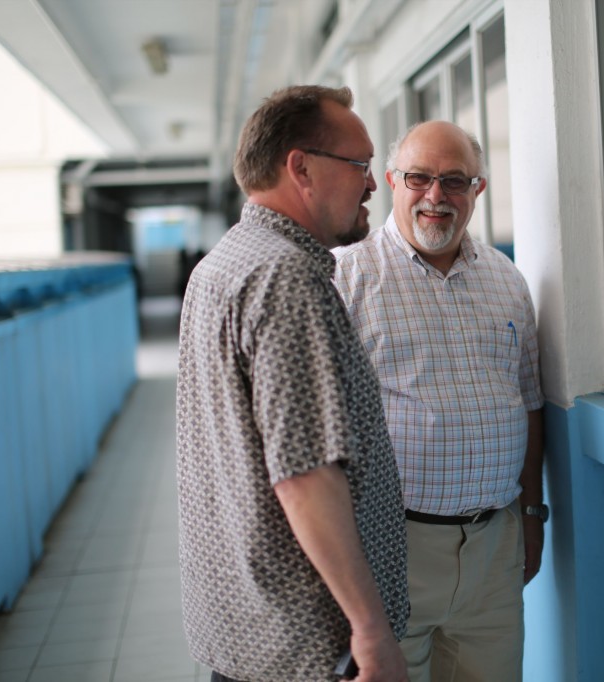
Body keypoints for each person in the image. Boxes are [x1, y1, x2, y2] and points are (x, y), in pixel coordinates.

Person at [175, 85, 410, 682]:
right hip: (309, 644)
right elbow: (305, 478)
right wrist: (371, 630)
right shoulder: (286, 279)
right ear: (300, 168)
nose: (372, 185)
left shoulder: (221, 264)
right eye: (358, 165)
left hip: (247, 629)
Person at [332, 120, 546, 682]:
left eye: (454, 181)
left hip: (494, 548)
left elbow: (529, 403)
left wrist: (532, 513)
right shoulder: (344, 279)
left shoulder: (507, 280)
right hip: (389, 548)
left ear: (478, 189)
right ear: (391, 182)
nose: (435, 196)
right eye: (418, 178)